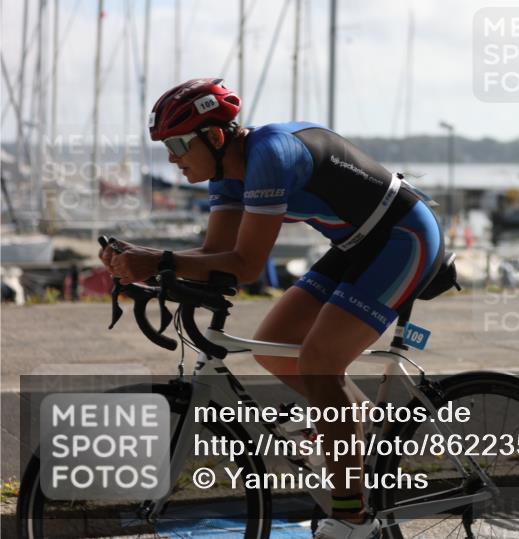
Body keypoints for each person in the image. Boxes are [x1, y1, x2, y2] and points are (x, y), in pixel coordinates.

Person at [102, 77, 444, 539]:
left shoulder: (269, 156)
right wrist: (141, 259)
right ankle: (348, 420)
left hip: (404, 237)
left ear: (217, 137)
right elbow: (215, 255)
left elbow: (244, 266)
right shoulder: (226, 173)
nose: (172, 158)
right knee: (273, 347)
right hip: (354, 243)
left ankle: (353, 516)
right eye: (165, 146)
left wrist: (160, 261)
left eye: (179, 144)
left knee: (319, 362)